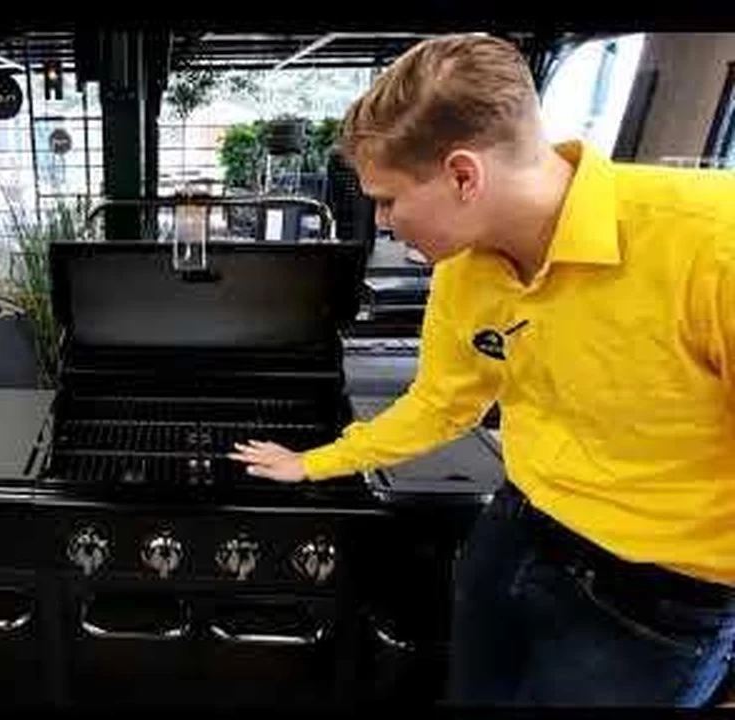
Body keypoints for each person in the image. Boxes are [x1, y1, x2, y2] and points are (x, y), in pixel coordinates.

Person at [228, 33, 735, 706]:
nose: (383, 223)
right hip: (518, 530)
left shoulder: (713, 243)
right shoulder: (466, 267)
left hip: (656, 601)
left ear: (464, 176)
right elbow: (442, 402)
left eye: (387, 200)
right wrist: (315, 463)